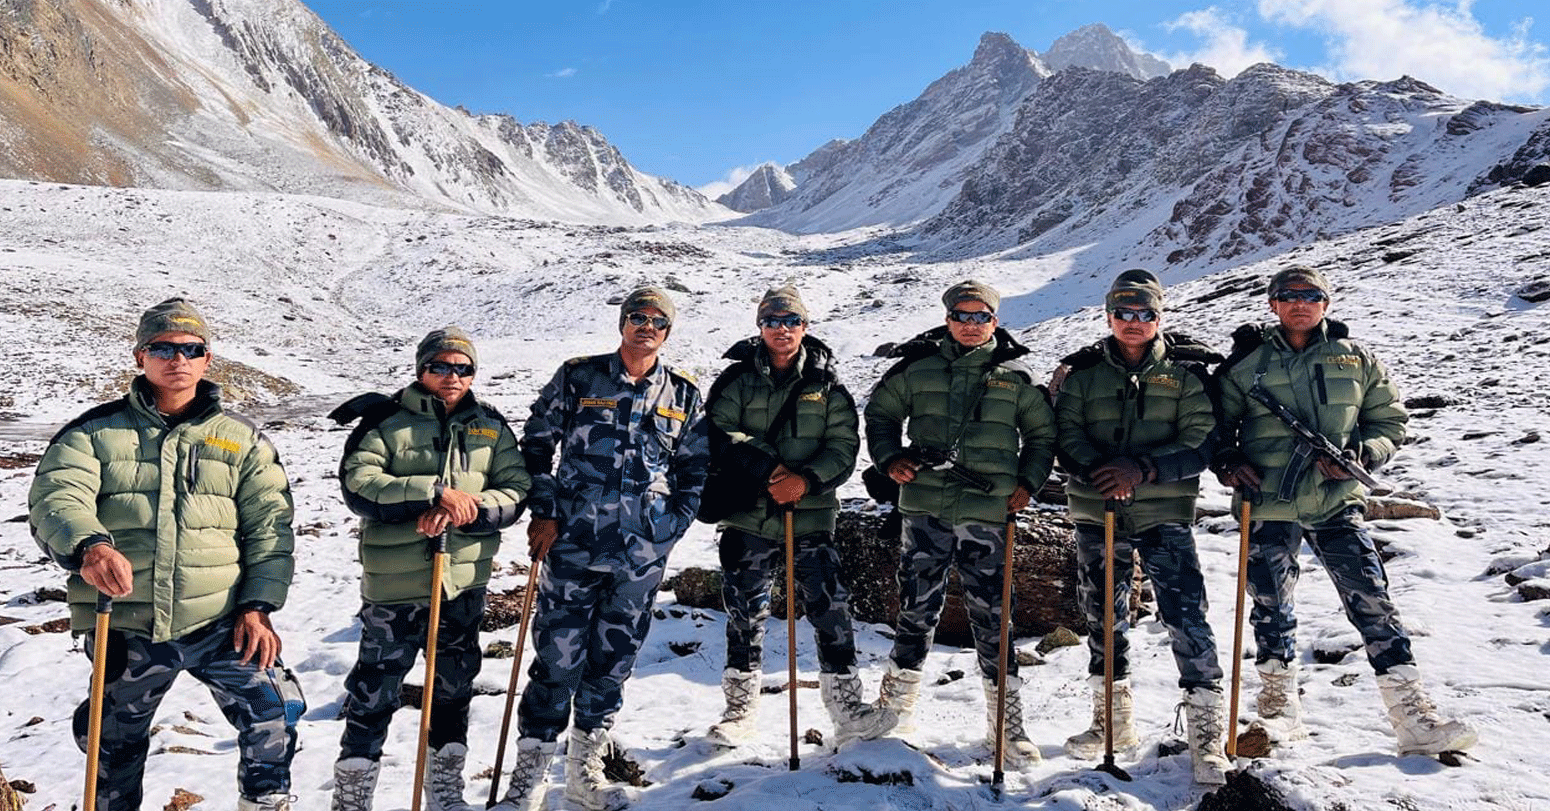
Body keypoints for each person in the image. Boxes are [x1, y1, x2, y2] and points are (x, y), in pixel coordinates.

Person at [28, 298, 303, 811]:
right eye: (163, 348)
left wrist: (257, 606)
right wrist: (89, 546)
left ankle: (265, 803)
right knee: (112, 745)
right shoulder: (92, 433)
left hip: (220, 620)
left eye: (190, 349)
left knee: (275, 709)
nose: (178, 358)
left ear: (206, 359)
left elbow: (271, 526)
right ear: (140, 357)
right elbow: (56, 498)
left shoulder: (241, 439)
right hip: (126, 623)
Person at [1213, 266, 1477, 756]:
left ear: (1326, 304)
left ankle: (1412, 716)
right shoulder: (1246, 365)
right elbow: (1216, 429)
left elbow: (1389, 420)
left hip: (1337, 502)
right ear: (1273, 304)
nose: (1300, 304)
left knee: (1371, 598)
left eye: (1311, 296)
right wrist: (1228, 462)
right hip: (1268, 502)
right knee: (1270, 603)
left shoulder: (1357, 360)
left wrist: (1366, 455)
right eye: (1288, 296)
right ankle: (1277, 705)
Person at [492, 287, 709, 811]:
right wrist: (543, 511)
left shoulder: (683, 395)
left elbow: (694, 467)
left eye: (658, 320)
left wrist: (672, 526)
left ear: (668, 331)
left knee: (612, 663)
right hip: (571, 547)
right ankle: (529, 779)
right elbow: (537, 446)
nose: (646, 326)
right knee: (555, 661)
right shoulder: (580, 376)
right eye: (637, 317)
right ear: (622, 324)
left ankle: (584, 772)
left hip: (640, 558)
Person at [329, 327, 530, 811]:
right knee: (374, 691)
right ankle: (353, 794)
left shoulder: (490, 426)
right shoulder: (385, 421)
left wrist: (469, 507)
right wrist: (431, 492)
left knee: (454, 687)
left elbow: (517, 488)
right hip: (394, 586)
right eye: (441, 366)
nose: (452, 376)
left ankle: (444, 786)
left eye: (463, 368)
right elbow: (359, 483)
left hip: (462, 582)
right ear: (422, 369)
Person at [863, 280, 1056, 765]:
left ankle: (1006, 725)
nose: (971, 325)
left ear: (995, 320)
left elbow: (1041, 435)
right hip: (924, 506)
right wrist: (890, 460)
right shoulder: (916, 368)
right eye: (962, 316)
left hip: (987, 511)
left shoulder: (1016, 377)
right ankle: (895, 711)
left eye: (981, 316)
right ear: (948, 318)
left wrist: (1028, 483)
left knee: (995, 616)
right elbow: (881, 415)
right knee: (914, 609)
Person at [1052, 270, 1229, 784]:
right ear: (1109, 316)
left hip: (1164, 511)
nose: (1134, 322)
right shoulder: (1081, 374)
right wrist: (1098, 471)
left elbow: (1202, 440)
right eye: (1124, 313)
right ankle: (1112, 722)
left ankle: (1206, 735)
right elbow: (1064, 433)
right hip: (1095, 507)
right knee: (1103, 613)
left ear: (1160, 317)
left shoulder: (1188, 372)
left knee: (1186, 615)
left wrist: (1143, 470)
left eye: (1145, 313)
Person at [700, 286, 894, 748]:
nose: (781, 330)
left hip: (810, 517)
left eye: (791, 321)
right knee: (744, 611)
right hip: (747, 515)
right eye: (772, 321)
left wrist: (805, 483)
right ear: (760, 327)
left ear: (804, 327)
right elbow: (719, 431)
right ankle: (739, 709)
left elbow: (844, 447)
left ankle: (847, 707)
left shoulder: (828, 386)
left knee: (830, 608)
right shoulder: (735, 380)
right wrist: (770, 471)